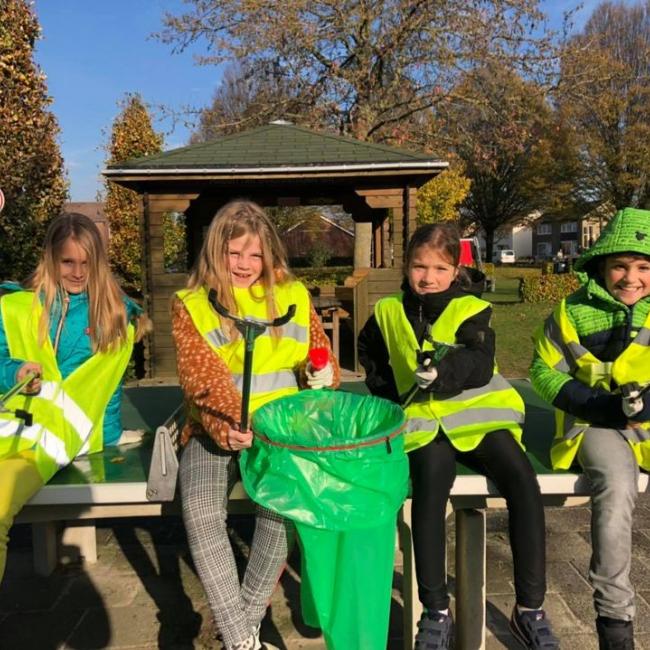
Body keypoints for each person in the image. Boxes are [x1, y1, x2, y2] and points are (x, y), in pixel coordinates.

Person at [358, 223, 558, 650]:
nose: (428, 277)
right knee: (429, 492)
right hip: (424, 426)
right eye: (418, 266)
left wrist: (441, 374)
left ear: (455, 271)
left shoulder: (471, 309)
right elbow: (372, 356)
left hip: (480, 419)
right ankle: (435, 612)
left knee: (523, 483)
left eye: (439, 267)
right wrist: (391, 398)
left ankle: (530, 610)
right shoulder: (388, 310)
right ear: (406, 265)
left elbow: (479, 361)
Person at [171, 200, 339, 650]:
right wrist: (227, 422)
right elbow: (200, 377)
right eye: (234, 253)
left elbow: (317, 358)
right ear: (215, 253)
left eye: (254, 254)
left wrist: (323, 375)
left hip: (282, 431)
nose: (244, 265)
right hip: (214, 429)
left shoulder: (294, 296)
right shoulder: (192, 304)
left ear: (269, 255)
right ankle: (243, 640)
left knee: (279, 510)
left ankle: (238, 628)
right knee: (202, 511)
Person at [0, 212, 149, 583]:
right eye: (68, 261)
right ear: (51, 258)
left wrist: (111, 435)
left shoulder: (112, 316)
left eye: (86, 263)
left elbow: (106, 386)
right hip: (9, 427)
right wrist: (15, 371)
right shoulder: (15, 308)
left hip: (48, 446)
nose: (78, 272)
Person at [530, 207, 650, 650]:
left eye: (643, 267)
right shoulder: (571, 311)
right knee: (617, 490)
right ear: (601, 266)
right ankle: (615, 622)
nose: (630, 277)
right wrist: (598, 406)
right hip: (594, 426)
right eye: (620, 265)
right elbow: (543, 371)